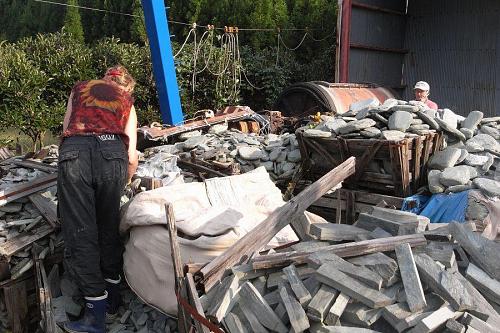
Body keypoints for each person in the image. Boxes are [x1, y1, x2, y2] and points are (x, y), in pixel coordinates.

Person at [58, 65, 139, 333]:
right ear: (126, 85)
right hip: (112, 155)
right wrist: (125, 180)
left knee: (81, 231)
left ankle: (95, 312)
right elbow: (131, 156)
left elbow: (66, 128)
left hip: (77, 153)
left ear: (103, 78)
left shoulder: (80, 88)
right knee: (108, 226)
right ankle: (113, 296)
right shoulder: (127, 101)